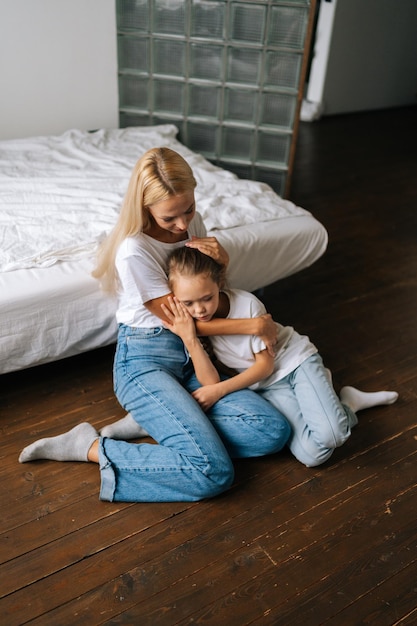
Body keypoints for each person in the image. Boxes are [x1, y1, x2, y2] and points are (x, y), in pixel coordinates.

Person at [18, 147, 290, 502]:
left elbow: (205, 296)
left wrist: (222, 261)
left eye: (188, 210)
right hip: (146, 358)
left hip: (194, 357)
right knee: (213, 472)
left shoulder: (191, 220)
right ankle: (89, 446)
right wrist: (252, 326)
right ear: (145, 208)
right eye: (169, 219)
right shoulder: (134, 251)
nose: (183, 225)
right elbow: (185, 324)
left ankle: (159, 420)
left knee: (272, 431)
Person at [156, 246, 397, 467]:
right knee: (313, 456)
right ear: (176, 299)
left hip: (293, 363)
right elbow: (209, 381)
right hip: (268, 387)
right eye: (188, 303)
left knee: (332, 435)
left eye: (207, 298)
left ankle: (322, 386)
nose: (199, 310)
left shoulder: (247, 305)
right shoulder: (189, 324)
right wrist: (190, 339)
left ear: (219, 284)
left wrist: (219, 391)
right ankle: (348, 403)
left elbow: (264, 367)